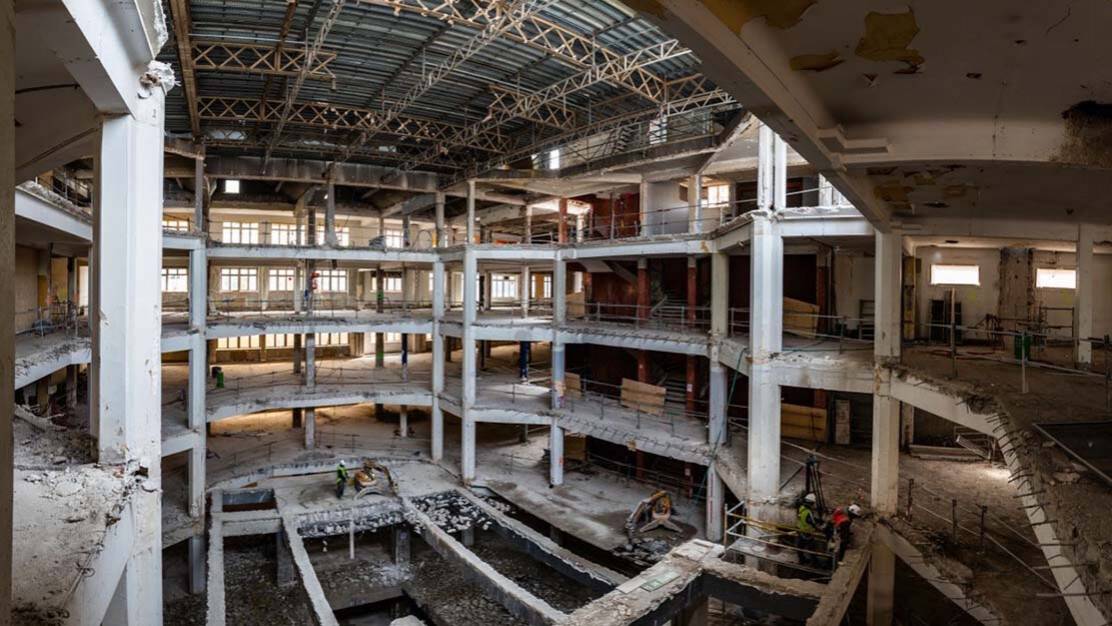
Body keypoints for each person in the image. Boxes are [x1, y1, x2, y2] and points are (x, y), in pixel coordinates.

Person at [796, 493, 821, 566]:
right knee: (812, 548)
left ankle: (801, 560)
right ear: (811, 503)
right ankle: (814, 563)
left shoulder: (801, 508)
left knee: (800, 547)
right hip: (807, 533)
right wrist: (819, 529)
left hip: (800, 531)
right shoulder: (809, 512)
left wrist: (817, 519)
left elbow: (805, 518)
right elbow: (812, 522)